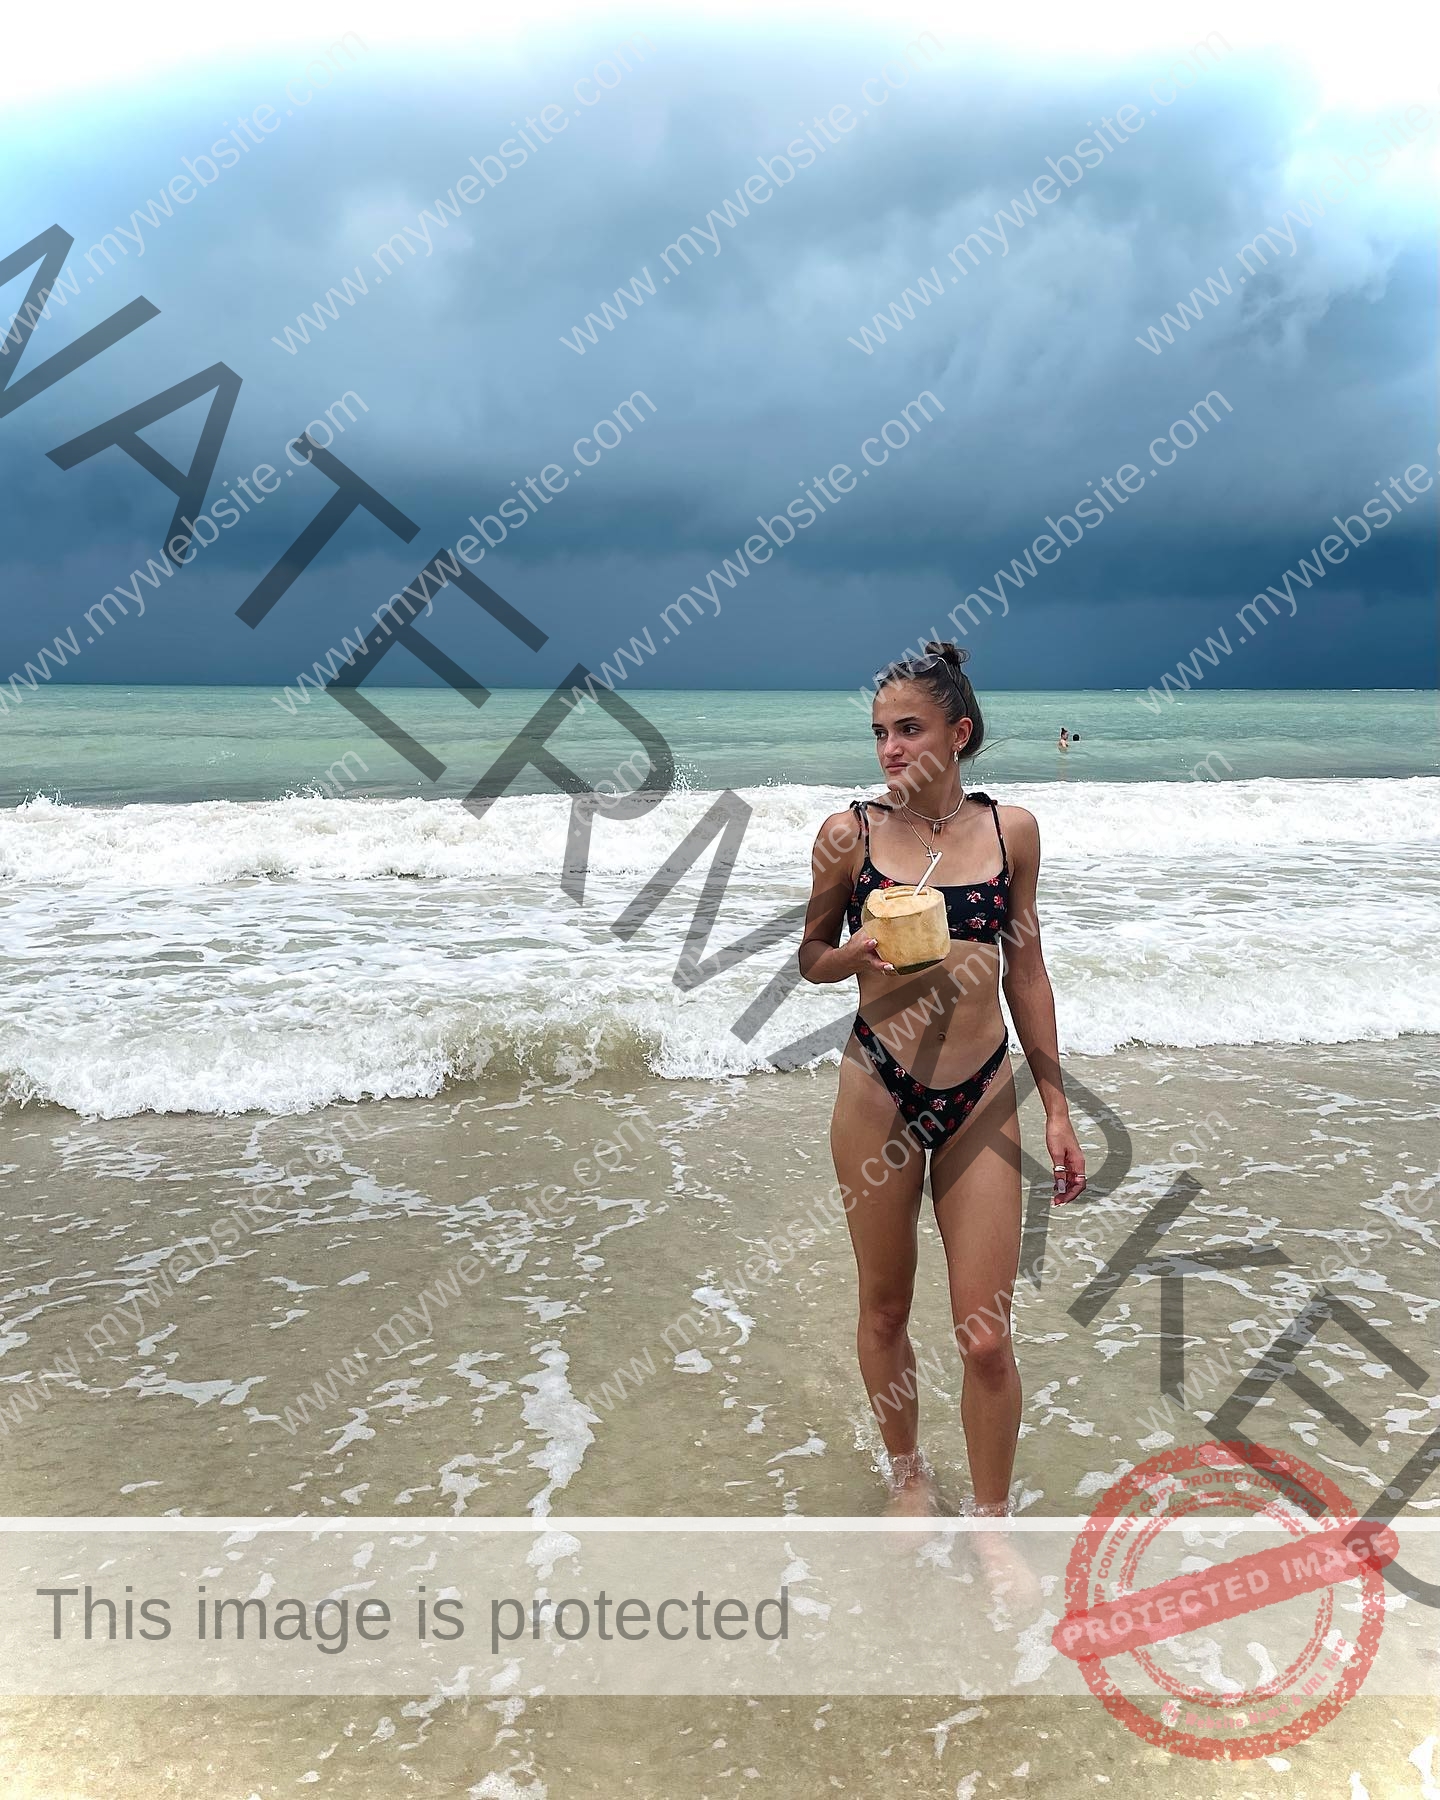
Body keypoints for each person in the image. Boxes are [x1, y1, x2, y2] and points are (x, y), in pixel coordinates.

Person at [798, 641, 1086, 1518]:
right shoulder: (849, 834)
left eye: (909, 728)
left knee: (988, 1336)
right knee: (885, 1309)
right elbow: (811, 959)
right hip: (876, 1086)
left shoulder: (1011, 832)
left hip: (981, 1093)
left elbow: (1026, 973)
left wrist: (1059, 1108)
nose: (889, 748)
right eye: (879, 731)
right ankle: (910, 1479)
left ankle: (993, 1523)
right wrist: (855, 950)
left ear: (957, 734)